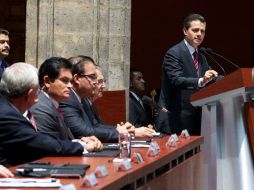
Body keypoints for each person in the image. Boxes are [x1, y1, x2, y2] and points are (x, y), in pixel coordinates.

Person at [0, 63, 88, 166]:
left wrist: (78, 142)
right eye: (38, 90)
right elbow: (40, 143)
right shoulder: (7, 115)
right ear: (30, 94)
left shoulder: (7, 109)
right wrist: (82, 146)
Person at [157, 13, 220, 135]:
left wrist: (229, 79)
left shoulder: (201, 57)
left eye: (203, 31)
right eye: (195, 30)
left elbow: (209, 79)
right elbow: (176, 80)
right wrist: (201, 80)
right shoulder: (174, 53)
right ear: (185, 31)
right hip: (175, 119)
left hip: (196, 119)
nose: (199, 34)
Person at [29, 57, 102, 150]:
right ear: (47, 81)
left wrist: (81, 141)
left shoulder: (55, 104)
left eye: (70, 81)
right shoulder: (41, 108)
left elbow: (62, 141)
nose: (70, 86)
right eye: (64, 81)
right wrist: (83, 146)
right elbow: (51, 147)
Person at [60, 56, 134, 142]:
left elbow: (96, 125)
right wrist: (122, 133)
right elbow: (83, 131)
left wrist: (120, 129)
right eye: (93, 77)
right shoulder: (67, 99)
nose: (96, 82)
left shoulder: (82, 99)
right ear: (76, 79)